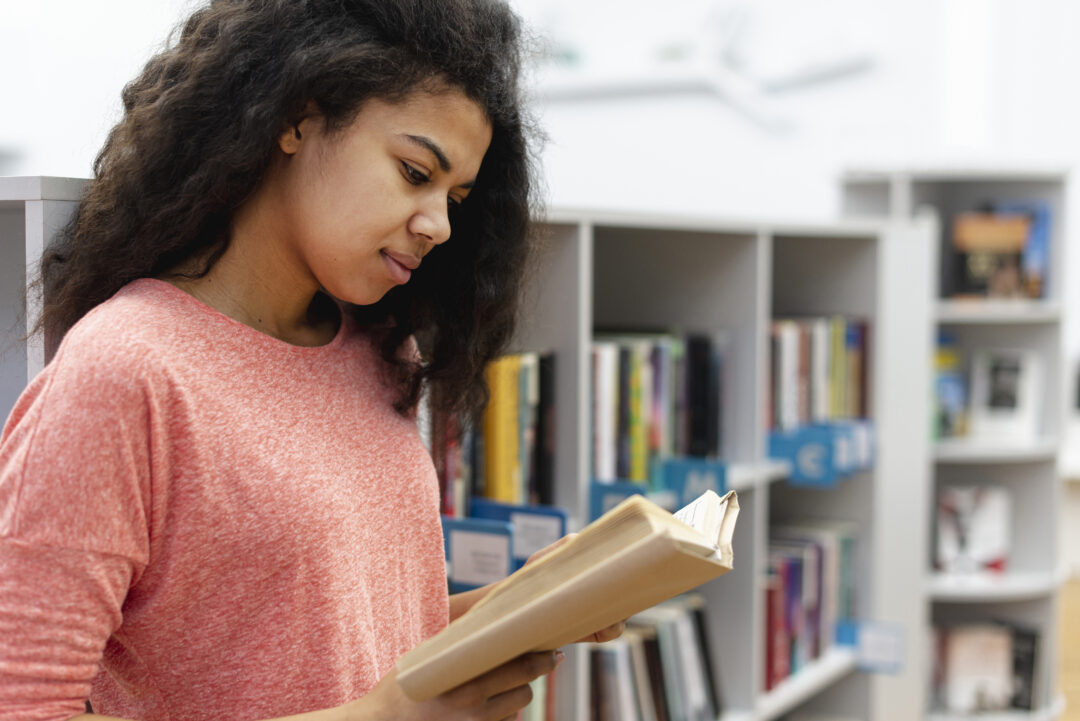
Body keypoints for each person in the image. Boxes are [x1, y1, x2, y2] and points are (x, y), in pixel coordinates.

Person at [0, 2, 621, 720]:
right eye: (414, 170)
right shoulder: (127, 368)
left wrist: (517, 605)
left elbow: (334, 644)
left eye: (454, 196)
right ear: (297, 118)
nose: (439, 224)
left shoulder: (379, 351)